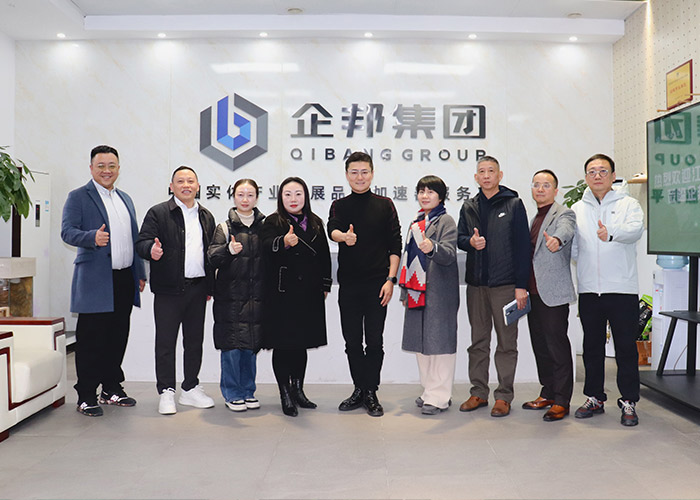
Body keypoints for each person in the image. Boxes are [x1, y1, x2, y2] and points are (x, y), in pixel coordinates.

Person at [61, 145, 146, 417]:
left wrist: (140, 273)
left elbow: (133, 239)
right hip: (95, 281)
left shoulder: (125, 199)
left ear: (118, 169)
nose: (107, 171)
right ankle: (86, 395)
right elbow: (67, 232)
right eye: (101, 166)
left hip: (123, 278)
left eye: (112, 166)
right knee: (91, 340)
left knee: (117, 336)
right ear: (91, 168)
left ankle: (111, 388)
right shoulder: (78, 196)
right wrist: (91, 238)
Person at [136, 166, 216, 415]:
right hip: (168, 290)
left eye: (191, 181)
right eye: (180, 181)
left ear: (198, 186)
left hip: (198, 288)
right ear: (171, 186)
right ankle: (166, 391)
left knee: (194, 342)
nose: (186, 185)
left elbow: (211, 252)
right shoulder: (158, 212)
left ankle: (190, 388)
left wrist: (211, 286)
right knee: (165, 342)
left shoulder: (206, 216)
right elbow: (142, 242)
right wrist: (151, 250)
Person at [571, 153, 644, 426]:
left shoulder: (628, 204)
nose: (597, 176)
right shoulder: (577, 209)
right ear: (585, 178)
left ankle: (629, 401)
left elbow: (635, 230)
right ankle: (594, 397)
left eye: (603, 171)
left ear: (613, 176)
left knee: (625, 347)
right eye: (592, 171)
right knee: (592, 347)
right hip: (590, 290)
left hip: (622, 288)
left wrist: (610, 233)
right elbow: (575, 248)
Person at [328, 151, 402, 417]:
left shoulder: (385, 205)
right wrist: (343, 237)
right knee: (351, 342)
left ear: (372, 174)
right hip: (349, 286)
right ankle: (359, 389)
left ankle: (371, 391)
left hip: (378, 285)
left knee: (374, 341)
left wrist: (390, 279)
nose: (359, 177)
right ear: (347, 175)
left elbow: (395, 245)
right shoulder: (340, 205)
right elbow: (332, 229)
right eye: (354, 172)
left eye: (364, 172)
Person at [457, 155, 530, 417]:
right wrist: (470, 243)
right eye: (482, 171)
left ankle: (504, 396)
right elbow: (460, 238)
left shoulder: (513, 204)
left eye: (491, 171)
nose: (486, 175)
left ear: (500, 175)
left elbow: (523, 247)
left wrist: (521, 286)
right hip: (476, 286)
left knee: (507, 343)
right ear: (476, 177)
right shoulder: (468, 206)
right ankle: (478, 392)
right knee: (478, 341)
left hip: (506, 286)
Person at [261, 177, 332, 417]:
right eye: (288, 194)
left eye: (298, 194)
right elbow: (264, 247)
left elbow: (324, 256)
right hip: (282, 293)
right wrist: (283, 242)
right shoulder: (272, 221)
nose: (293, 199)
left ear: (306, 196)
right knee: (283, 345)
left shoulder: (316, 222)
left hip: (309, 293)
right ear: (280, 197)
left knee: (301, 344)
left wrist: (325, 284)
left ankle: (298, 390)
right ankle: (285, 394)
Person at [399, 175, 459, 415]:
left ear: (441, 197)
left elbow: (449, 254)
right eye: (421, 191)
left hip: (439, 293)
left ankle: (440, 397)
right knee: (421, 343)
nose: (425, 196)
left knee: (440, 344)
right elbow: (407, 259)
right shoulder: (416, 221)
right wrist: (405, 291)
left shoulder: (446, 221)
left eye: (430, 192)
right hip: (417, 291)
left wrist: (433, 247)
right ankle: (429, 391)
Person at [521, 169, 576, 421]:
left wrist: (557, 239)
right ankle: (548, 392)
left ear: (555, 190)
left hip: (552, 293)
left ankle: (562, 400)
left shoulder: (563, 213)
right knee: (541, 347)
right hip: (533, 293)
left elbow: (566, 230)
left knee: (557, 347)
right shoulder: (535, 218)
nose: (540, 189)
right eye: (536, 185)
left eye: (546, 185)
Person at [207, 179, 265, 412]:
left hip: (255, 298)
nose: (245, 199)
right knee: (231, 348)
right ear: (233, 197)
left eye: (250, 195)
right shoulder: (224, 227)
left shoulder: (265, 227)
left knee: (250, 347)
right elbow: (212, 257)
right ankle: (232, 393)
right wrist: (228, 250)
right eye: (241, 194)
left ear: (256, 198)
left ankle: (248, 391)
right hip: (229, 299)